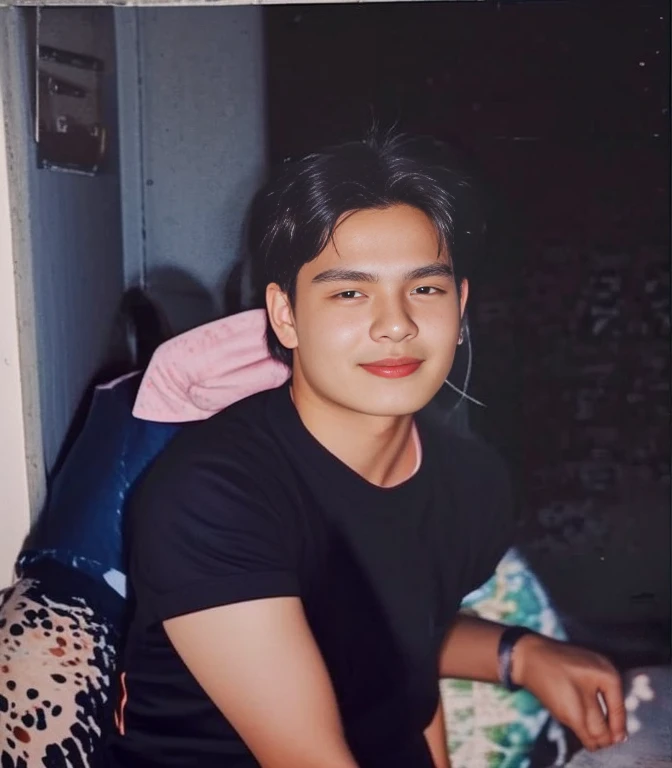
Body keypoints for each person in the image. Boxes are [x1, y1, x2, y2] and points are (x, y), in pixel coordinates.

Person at [106, 135, 625, 768]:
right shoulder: (212, 496)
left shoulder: (471, 483)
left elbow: (394, 651)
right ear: (285, 315)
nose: (396, 324)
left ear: (460, 308)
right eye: (349, 293)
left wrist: (520, 653)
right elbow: (307, 756)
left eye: (425, 290)